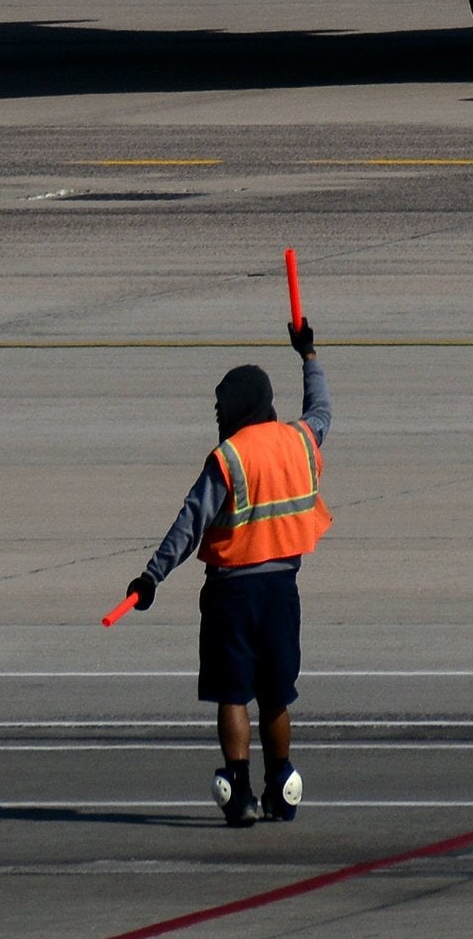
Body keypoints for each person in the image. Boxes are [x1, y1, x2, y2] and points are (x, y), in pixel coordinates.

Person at [124, 314, 329, 827]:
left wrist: (151, 576)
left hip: (231, 595)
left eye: (221, 407)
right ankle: (281, 784)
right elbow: (322, 409)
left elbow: (190, 522)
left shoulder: (229, 457)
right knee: (276, 693)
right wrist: (308, 354)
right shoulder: (300, 441)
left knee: (233, 691)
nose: (217, 415)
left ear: (236, 408)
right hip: (282, 590)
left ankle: (239, 791)